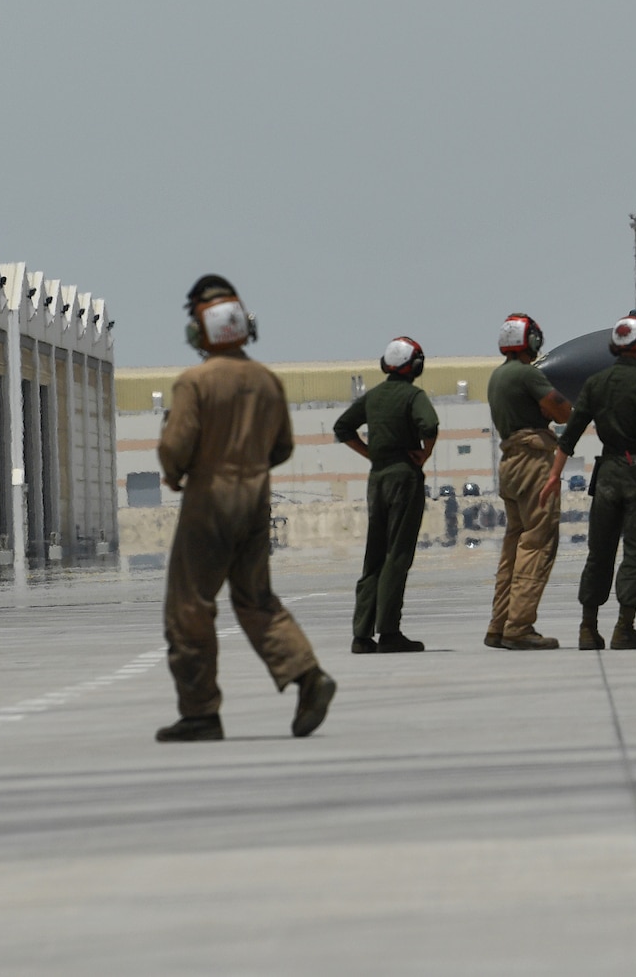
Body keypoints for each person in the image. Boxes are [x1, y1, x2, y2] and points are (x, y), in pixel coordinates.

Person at [155, 275, 333, 742]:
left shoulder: (194, 382)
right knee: (256, 599)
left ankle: (200, 714)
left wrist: (176, 473)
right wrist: (251, 466)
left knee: (189, 606)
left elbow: (177, 444)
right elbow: (284, 447)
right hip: (255, 499)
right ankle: (309, 675)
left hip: (209, 499)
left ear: (204, 330)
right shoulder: (266, 381)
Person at [547, 315, 636, 649]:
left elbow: (570, 435)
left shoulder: (595, 383)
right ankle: (624, 628)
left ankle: (587, 628)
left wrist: (553, 477)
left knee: (599, 551)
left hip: (607, 474)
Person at [334, 336, 440, 653]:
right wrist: (425, 453)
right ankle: (390, 632)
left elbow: (342, 427)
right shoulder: (412, 395)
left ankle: (361, 635)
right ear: (416, 366)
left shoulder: (374, 397)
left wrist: (370, 454)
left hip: (376, 478)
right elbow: (430, 425)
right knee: (398, 555)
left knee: (374, 556)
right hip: (403, 477)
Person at [485, 313, 573, 649]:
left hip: (509, 463)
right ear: (530, 341)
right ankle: (519, 627)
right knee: (537, 544)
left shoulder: (498, 376)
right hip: (533, 461)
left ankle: (499, 624)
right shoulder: (526, 374)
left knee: (513, 545)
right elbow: (562, 411)